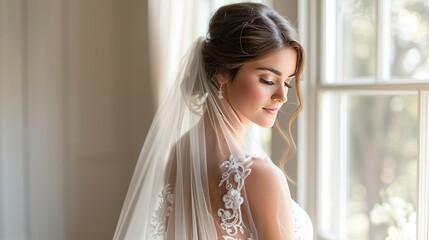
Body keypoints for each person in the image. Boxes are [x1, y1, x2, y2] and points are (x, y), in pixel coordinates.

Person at [114, 2, 312, 239]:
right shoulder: (260, 176)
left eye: (288, 82)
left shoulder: (182, 151)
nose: (283, 96)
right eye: (268, 80)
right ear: (222, 74)